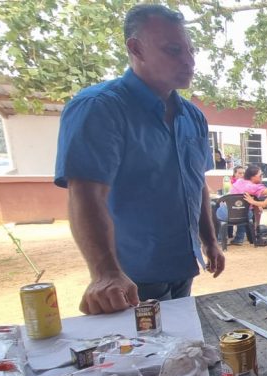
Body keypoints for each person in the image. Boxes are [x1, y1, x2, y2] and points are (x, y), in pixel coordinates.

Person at [54, 4, 224, 314]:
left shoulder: (193, 117)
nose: (189, 61)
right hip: (130, 279)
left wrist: (210, 240)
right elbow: (85, 195)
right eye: (173, 50)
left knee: (182, 352)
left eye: (190, 50)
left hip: (182, 265)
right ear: (136, 48)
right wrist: (105, 273)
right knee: (145, 359)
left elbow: (197, 183)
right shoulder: (100, 108)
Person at [220, 165, 267, 245]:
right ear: (252, 177)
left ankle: (220, 239)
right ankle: (239, 239)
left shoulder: (239, 181)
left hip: (227, 213)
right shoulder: (254, 187)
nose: (262, 177)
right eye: (260, 175)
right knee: (244, 210)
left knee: (218, 211)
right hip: (244, 215)